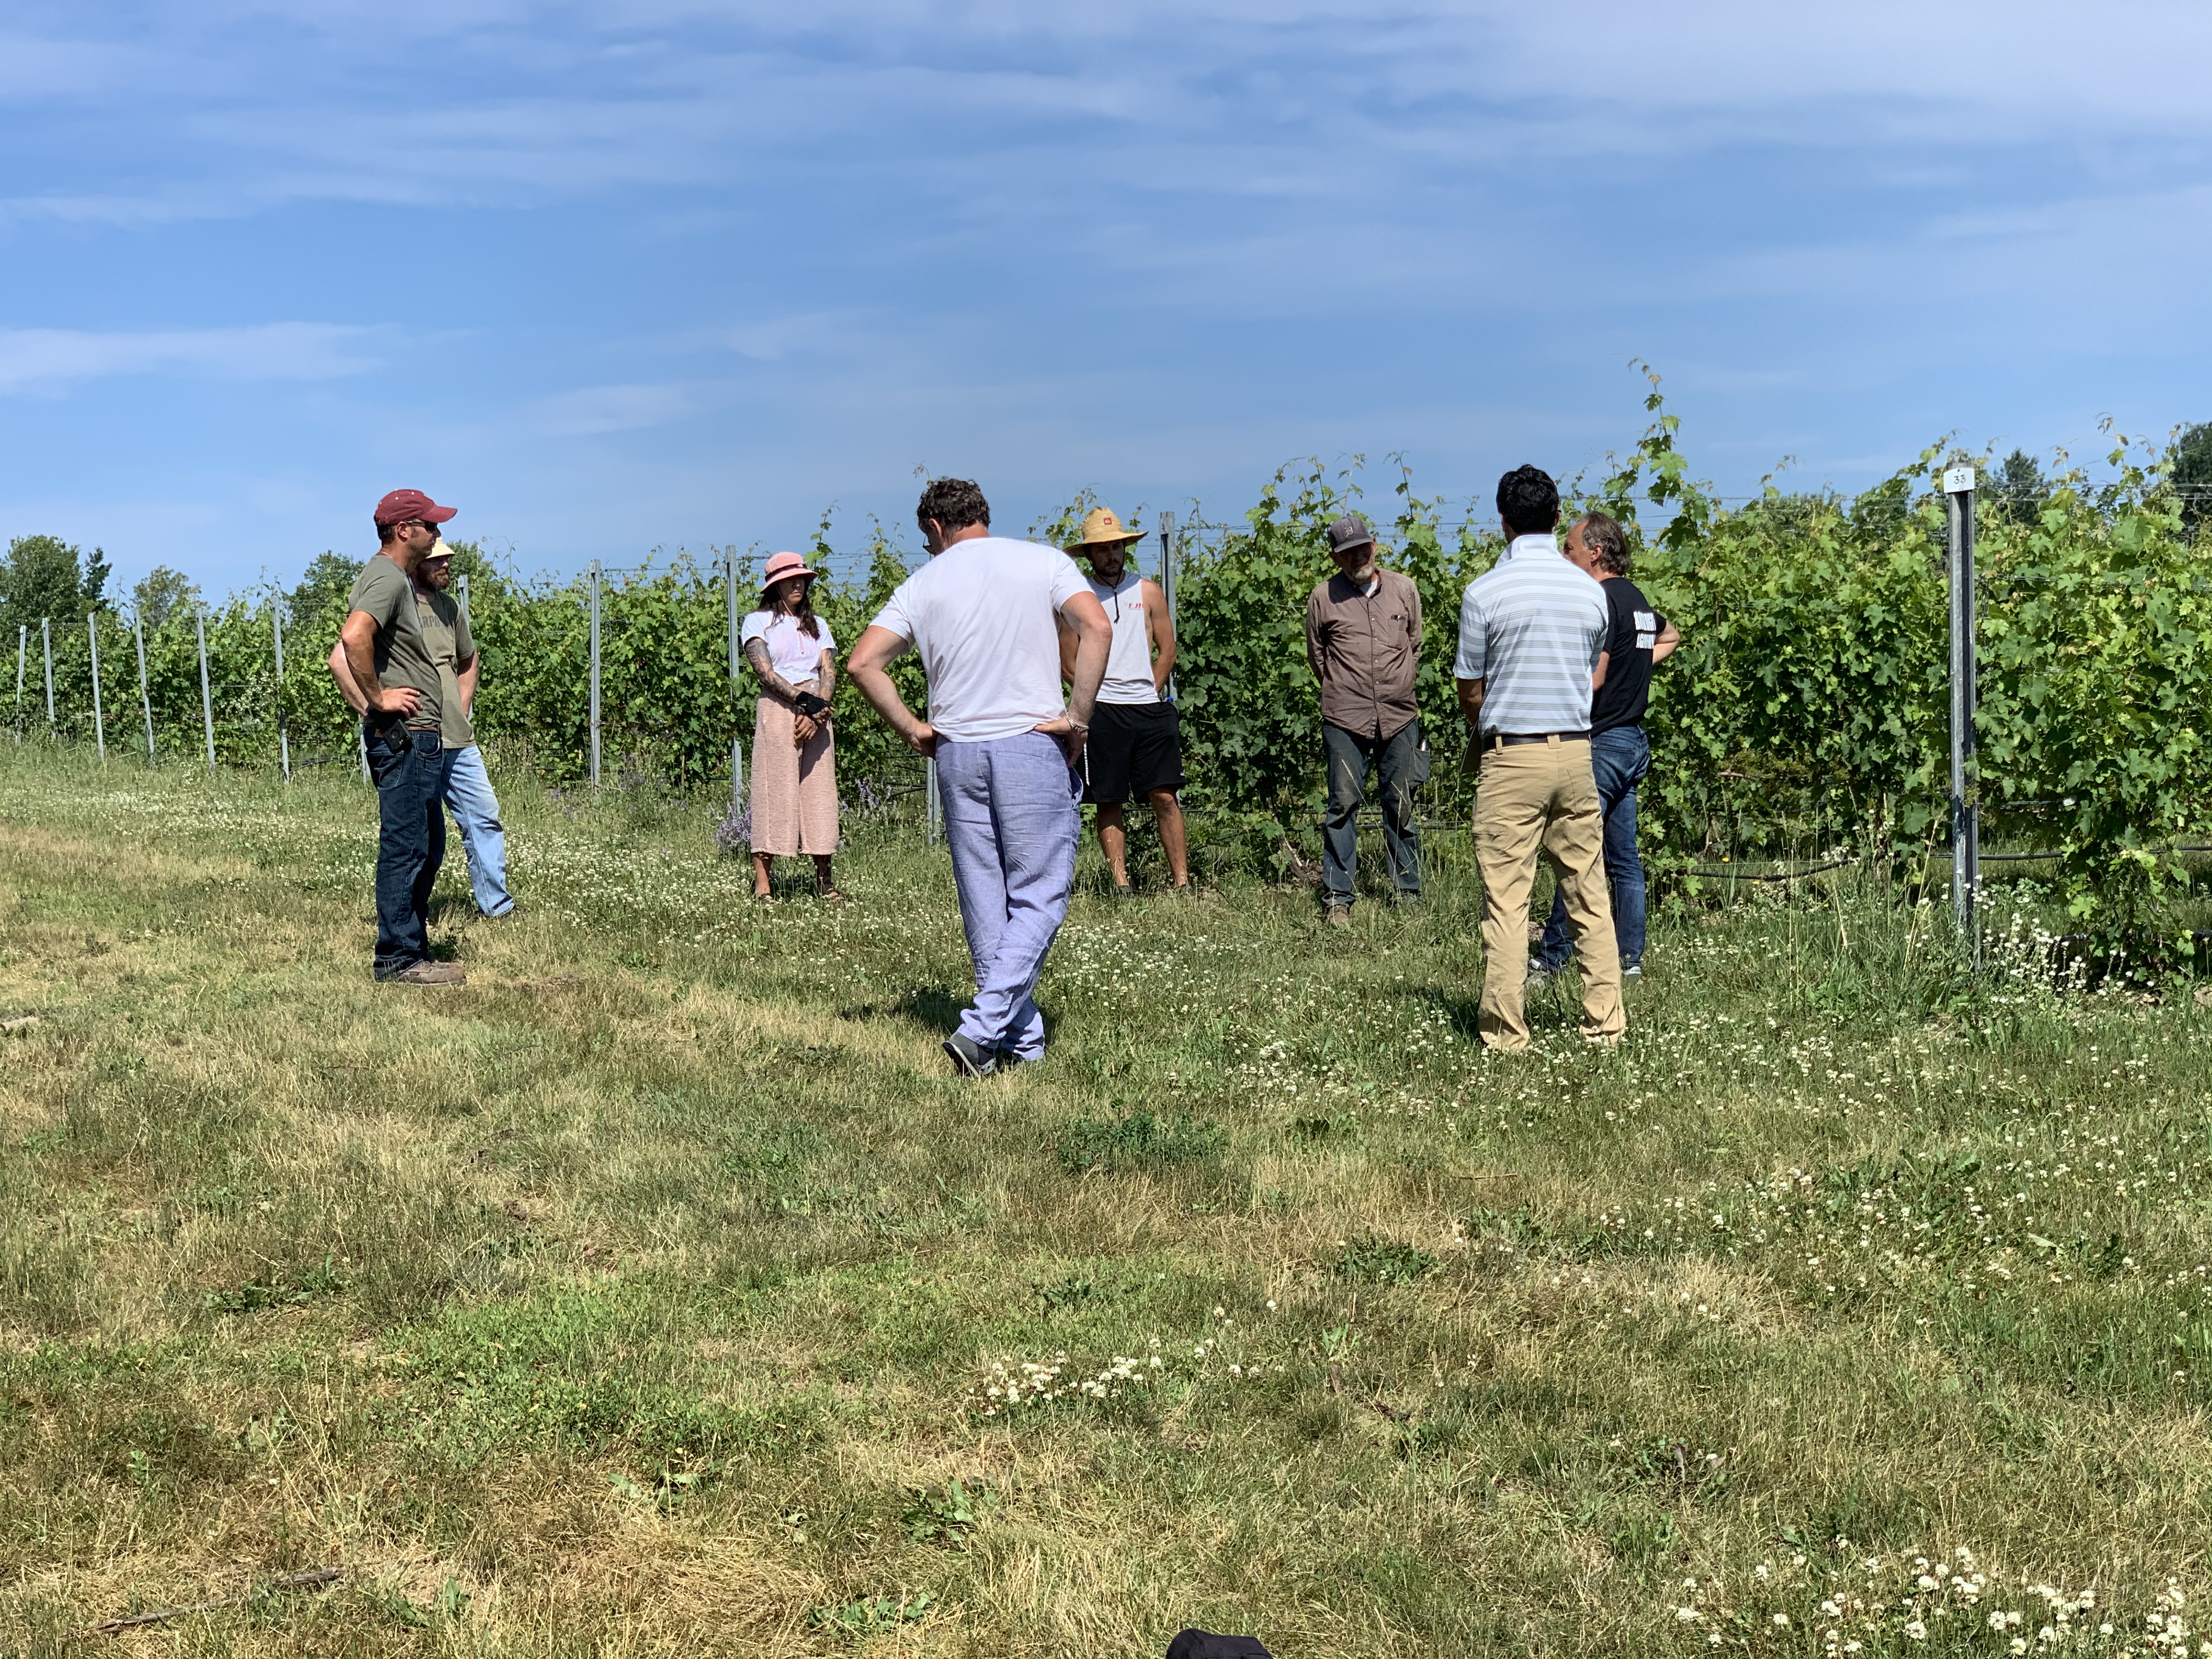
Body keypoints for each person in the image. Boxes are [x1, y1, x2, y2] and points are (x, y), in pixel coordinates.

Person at [848, 478, 1112, 1077]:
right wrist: (1078, 717)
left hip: (958, 751)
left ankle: (1020, 1044)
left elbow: (864, 663)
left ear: (937, 528)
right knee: (1040, 894)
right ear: (980, 517)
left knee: (985, 901)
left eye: (927, 540)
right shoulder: (1042, 562)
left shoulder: (922, 584)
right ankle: (981, 1029)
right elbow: (1098, 628)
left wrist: (914, 728)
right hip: (1030, 743)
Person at [1454, 465, 1625, 1051]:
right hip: (1578, 752)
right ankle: (1605, 1024)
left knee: (1507, 899)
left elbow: (1470, 690)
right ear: (1557, 518)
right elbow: (1589, 671)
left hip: (1512, 756)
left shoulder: (1483, 594)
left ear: (1502, 522)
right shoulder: (1589, 592)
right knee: (1588, 890)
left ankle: (1506, 1032)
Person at [328, 539, 515, 922]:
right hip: (414, 737)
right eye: (437, 558)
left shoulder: (449, 608)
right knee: (422, 837)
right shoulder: (394, 599)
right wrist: (374, 709)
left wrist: (460, 709)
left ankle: (497, 907)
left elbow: (468, 658)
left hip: (457, 740)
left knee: (483, 816)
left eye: (447, 557)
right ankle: (411, 914)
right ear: (416, 562)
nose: (446, 562)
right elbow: (341, 659)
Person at [1530, 511, 1679, 981]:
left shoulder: (1598, 599)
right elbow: (1671, 635)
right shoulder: (1635, 598)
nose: (1563, 555)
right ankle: (1629, 959)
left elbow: (1592, 679)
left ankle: (1551, 958)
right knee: (1623, 859)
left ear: (1595, 551)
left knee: (1575, 850)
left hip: (1605, 744)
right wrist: (1637, 665)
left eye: (1570, 548)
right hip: (1634, 742)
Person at [340, 488, 467, 985]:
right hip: (408, 736)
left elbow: (345, 649)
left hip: (420, 736)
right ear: (403, 531)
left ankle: (413, 945)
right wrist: (378, 700)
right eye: (431, 526)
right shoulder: (387, 578)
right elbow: (353, 639)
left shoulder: (391, 579)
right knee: (407, 845)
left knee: (428, 843)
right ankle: (398, 959)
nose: (438, 535)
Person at [1059, 506, 1189, 893]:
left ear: (1125, 548)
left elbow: (1168, 650)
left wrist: (1153, 688)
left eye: (1116, 546)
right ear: (1091, 554)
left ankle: (1182, 883)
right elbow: (1067, 662)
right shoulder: (1077, 599)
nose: (1111, 555)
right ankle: (1121, 884)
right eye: (1102, 549)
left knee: (1164, 794)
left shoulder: (1148, 591)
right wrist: (1092, 700)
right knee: (1108, 798)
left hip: (1149, 709)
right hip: (1103, 713)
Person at [1305, 512, 1425, 925]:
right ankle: (1339, 897)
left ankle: (1407, 893)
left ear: (1374, 546)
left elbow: (1415, 645)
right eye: (1347, 552)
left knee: (1402, 805)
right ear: (1336, 559)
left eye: (1363, 547)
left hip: (1399, 716)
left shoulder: (1404, 590)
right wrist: (1346, 688)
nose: (1358, 556)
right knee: (1342, 805)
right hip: (1345, 718)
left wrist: (1397, 683)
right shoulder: (1324, 598)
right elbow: (1318, 657)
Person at [742, 550, 842, 902]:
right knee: (774, 790)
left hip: (817, 712)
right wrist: (805, 703)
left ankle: (825, 882)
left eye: (802, 578)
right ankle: (763, 884)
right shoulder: (758, 622)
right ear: (776, 586)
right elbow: (765, 672)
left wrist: (819, 711)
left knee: (820, 794)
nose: (798, 583)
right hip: (780, 709)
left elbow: (828, 670)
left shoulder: (819, 626)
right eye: (789, 580)